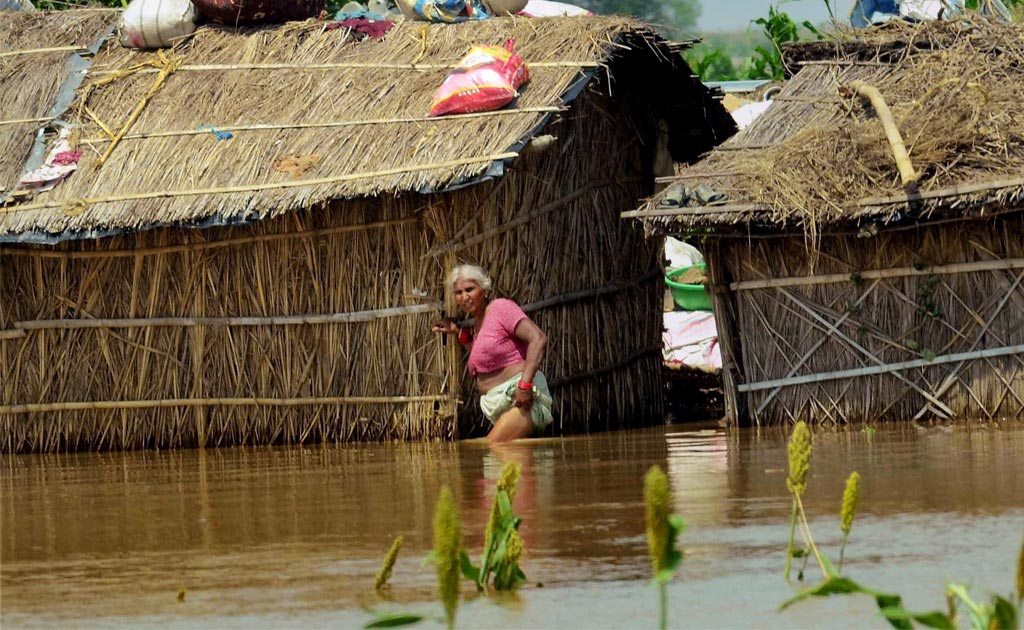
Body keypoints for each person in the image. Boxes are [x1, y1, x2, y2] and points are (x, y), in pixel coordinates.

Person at [431, 264, 552, 443]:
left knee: (493, 447)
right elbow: (483, 358)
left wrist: (524, 385)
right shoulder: (479, 323)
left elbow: (538, 339)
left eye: (470, 289)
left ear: (484, 289)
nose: (464, 297)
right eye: (458, 293)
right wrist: (458, 332)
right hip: (505, 404)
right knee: (512, 463)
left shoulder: (500, 308)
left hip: (522, 401)